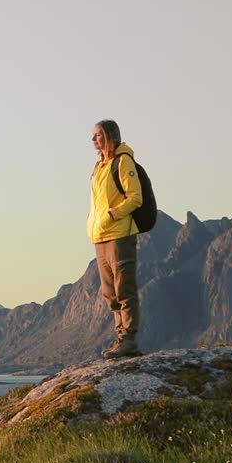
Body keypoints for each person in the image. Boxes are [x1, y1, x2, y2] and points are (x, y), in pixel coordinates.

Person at [87, 119, 143, 358]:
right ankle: (120, 336)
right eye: (93, 136)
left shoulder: (123, 162)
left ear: (109, 136)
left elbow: (135, 197)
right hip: (100, 237)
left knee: (124, 289)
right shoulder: (99, 167)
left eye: (98, 135)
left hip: (120, 235)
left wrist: (111, 215)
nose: (93, 140)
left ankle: (128, 339)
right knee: (109, 293)